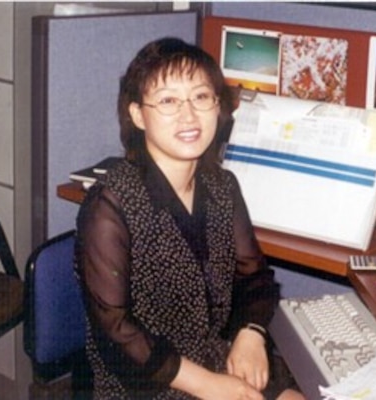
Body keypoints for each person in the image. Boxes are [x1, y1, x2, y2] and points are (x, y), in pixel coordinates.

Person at [75, 37, 304, 400]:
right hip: (149, 378)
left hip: (219, 353)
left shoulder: (221, 185)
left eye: (200, 97)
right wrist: (208, 385)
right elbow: (116, 330)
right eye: (168, 101)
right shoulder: (110, 204)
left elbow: (255, 278)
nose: (189, 116)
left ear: (218, 106)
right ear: (138, 115)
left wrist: (250, 333)